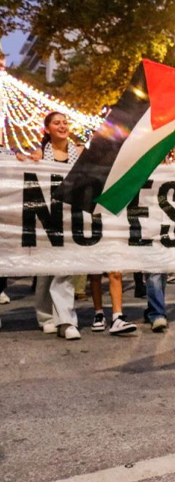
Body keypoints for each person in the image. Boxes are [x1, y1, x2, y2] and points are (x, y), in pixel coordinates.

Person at [17, 112, 83, 340]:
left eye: (65, 122)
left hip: (70, 218)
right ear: (47, 129)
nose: (63, 126)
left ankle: (66, 320)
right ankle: (45, 317)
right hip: (44, 218)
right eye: (57, 123)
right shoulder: (39, 156)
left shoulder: (80, 154)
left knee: (65, 270)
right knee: (45, 271)